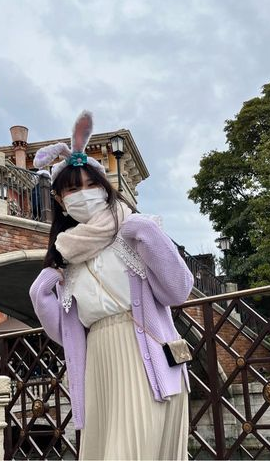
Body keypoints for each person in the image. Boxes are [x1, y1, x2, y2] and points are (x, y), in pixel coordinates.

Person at [29, 111, 194, 460]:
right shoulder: (67, 256)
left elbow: (178, 291)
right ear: (60, 200)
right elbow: (68, 334)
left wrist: (149, 233)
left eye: (91, 185)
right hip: (99, 362)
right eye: (73, 189)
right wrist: (41, 295)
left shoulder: (131, 233)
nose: (84, 194)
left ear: (105, 188)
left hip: (143, 357)